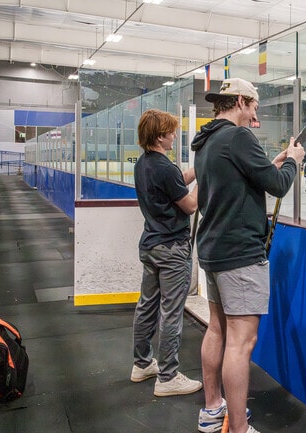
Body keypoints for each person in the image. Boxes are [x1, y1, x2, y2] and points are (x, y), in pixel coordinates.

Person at [191, 78, 305, 433]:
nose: (255, 114)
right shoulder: (239, 137)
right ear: (240, 100)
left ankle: (212, 410)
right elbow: (278, 185)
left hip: (212, 248)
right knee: (241, 342)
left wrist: (273, 162)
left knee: (218, 329)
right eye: (254, 105)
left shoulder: (208, 140)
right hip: (239, 253)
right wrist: (295, 162)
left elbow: (239, 180)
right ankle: (237, 428)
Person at [130, 108, 203, 398]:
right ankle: (168, 377)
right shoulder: (163, 166)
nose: (174, 135)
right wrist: (203, 184)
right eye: (171, 131)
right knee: (171, 312)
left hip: (150, 245)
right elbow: (190, 205)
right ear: (160, 136)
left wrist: (197, 169)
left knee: (146, 306)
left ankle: (142, 363)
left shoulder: (144, 164)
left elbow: (174, 183)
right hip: (172, 249)